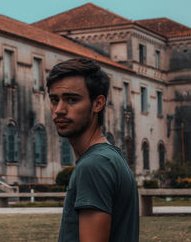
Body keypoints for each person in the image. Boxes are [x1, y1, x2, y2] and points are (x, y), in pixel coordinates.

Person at [47, 58, 139, 242]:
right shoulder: (109, 157)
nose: (59, 110)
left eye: (72, 100)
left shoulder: (94, 165)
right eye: (54, 100)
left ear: (98, 103)